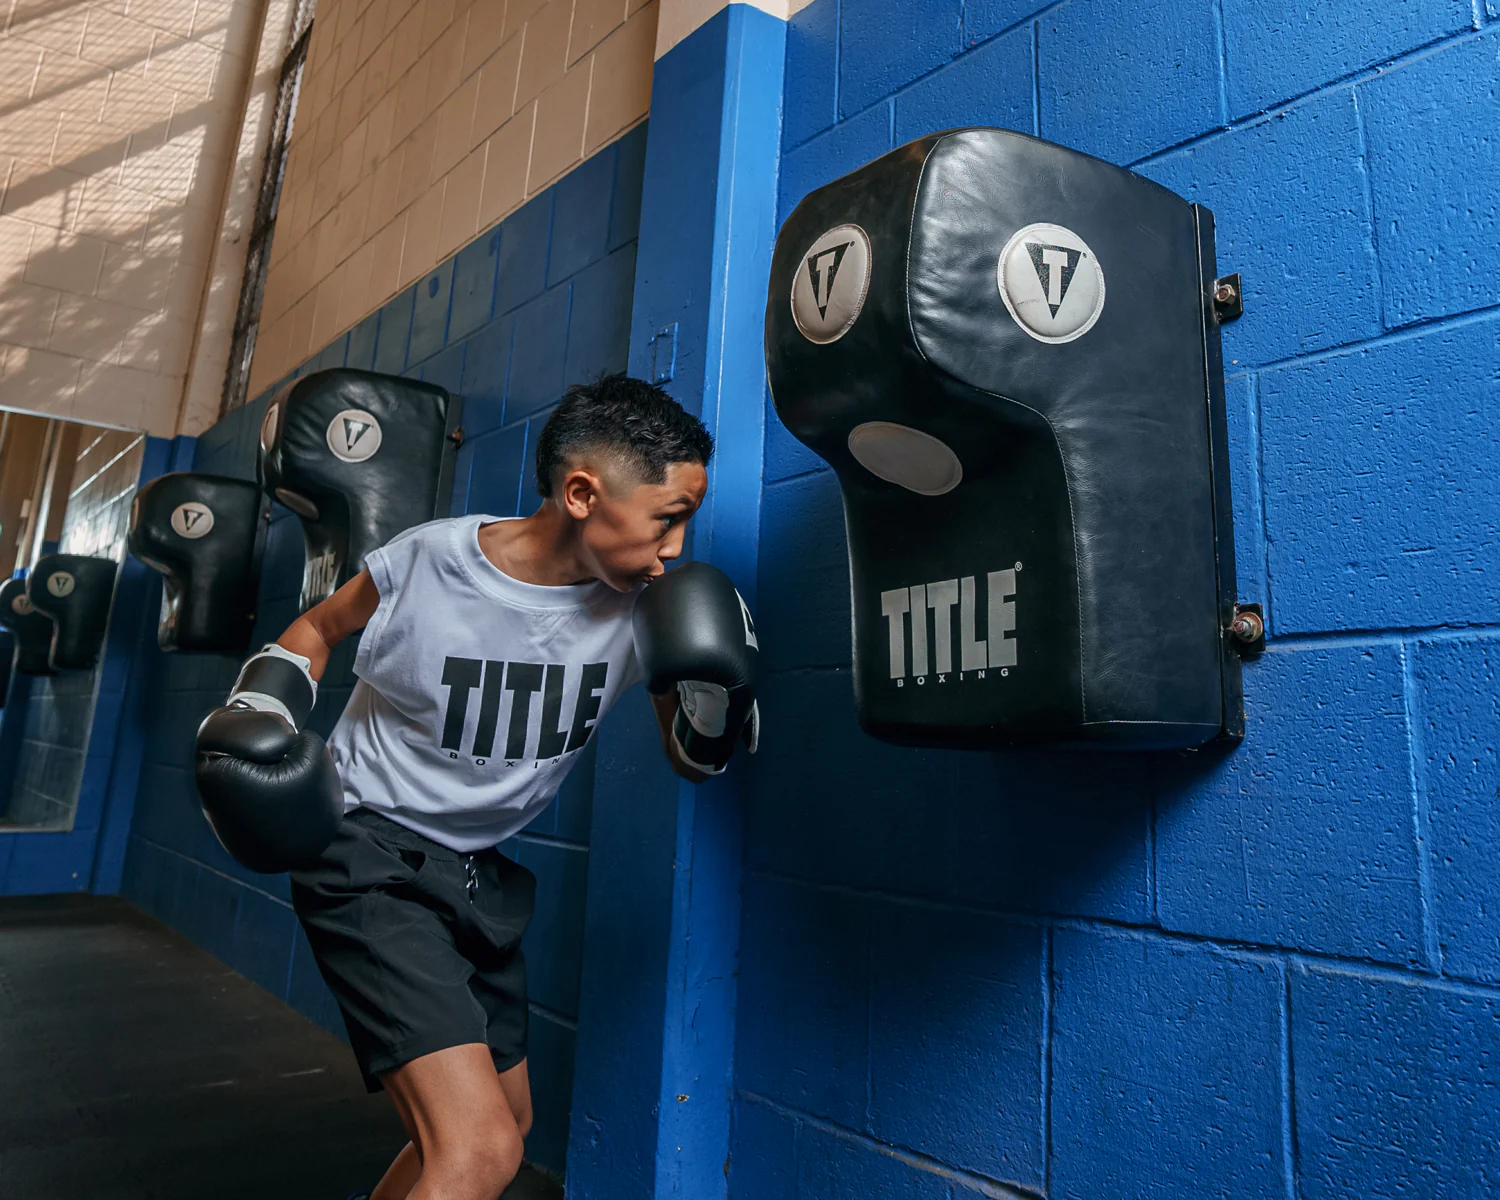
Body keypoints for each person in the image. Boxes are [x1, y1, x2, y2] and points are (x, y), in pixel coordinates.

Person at [195, 375, 759, 1200]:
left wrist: (716, 702)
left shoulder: (647, 609)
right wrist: (261, 706)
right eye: (666, 519)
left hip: (472, 878)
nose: (675, 548)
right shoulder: (433, 561)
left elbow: (690, 757)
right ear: (580, 493)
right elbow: (319, 628)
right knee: (479, 1151)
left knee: (507, 1126)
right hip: (367, 858)